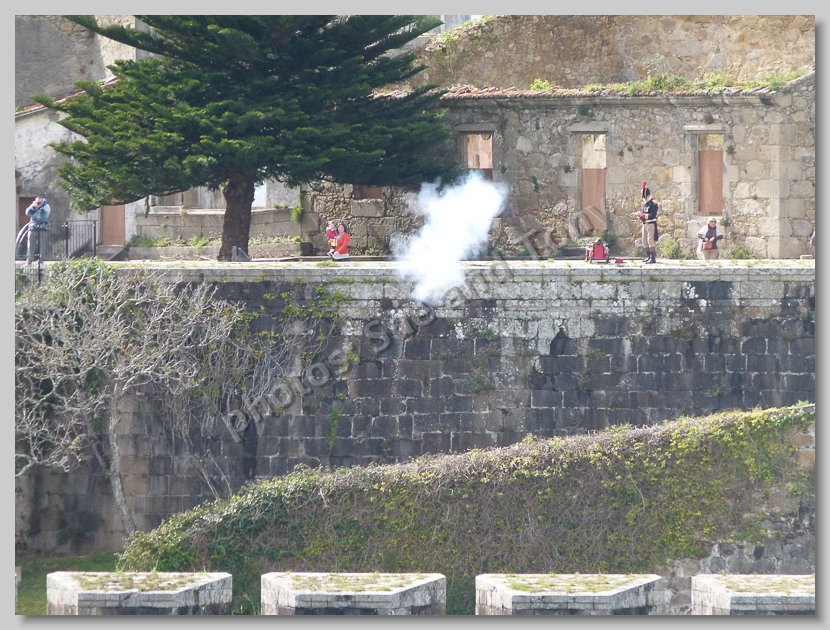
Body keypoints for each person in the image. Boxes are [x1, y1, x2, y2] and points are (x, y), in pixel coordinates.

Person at [25, 195, 51, 264]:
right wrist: (33, 207)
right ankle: (29, 262)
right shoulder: (33, 205)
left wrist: (39, 209)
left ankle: (41, 262)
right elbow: (27, 213)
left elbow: (43, 218)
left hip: (43, 228)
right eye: (37, 202)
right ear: (35, 201)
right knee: (30, 245)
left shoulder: (46, 206)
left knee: (42, 246)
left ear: (43, 201)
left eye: (40, 202)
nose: (38, 203)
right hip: (32, 227)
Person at [638, 182, 659, 264]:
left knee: (650, 240)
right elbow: (643, 213)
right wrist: (640, 215)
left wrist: (643, 215)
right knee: (644, 241)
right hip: (644, 224)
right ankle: (648, 256)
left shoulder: (653, 205)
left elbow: (652, 215)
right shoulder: (645, 205)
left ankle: (653, 258)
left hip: (650, 224)